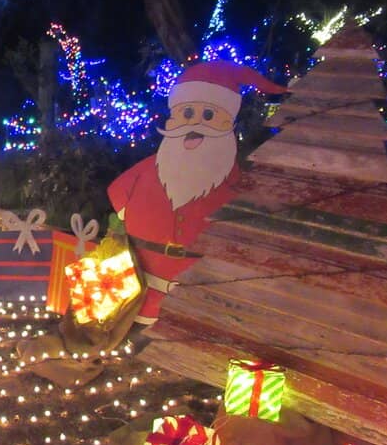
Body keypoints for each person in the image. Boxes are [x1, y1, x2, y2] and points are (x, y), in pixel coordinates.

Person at [108, 60, 286, 334]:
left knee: (181, 335)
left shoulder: (235, 181)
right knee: (133, 331)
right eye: (187, 113)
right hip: (141, 281)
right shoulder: (150, 169)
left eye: (209, 115)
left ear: (228, 123)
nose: (195, 125)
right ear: (173, 117)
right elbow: (117, 192)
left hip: (197, 289)